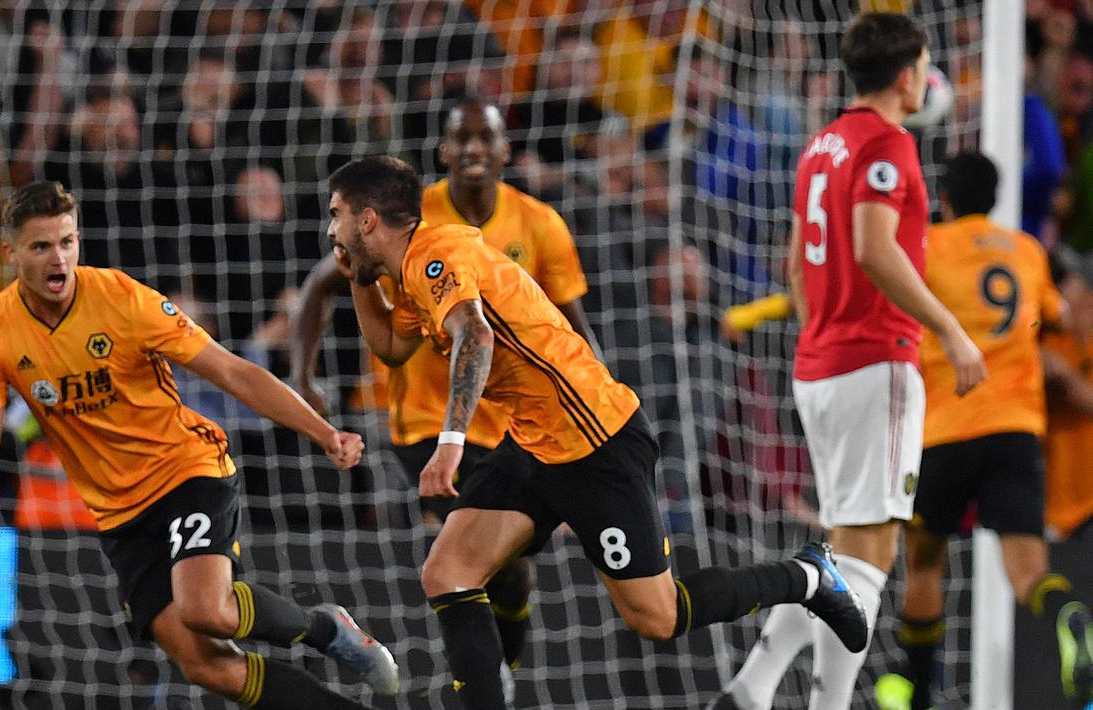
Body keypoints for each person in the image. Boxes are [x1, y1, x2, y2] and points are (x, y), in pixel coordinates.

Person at [324, 155, 869, 710]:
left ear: (368, 220)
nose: (331, 229)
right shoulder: (413, 270)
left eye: (337, 214)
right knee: (448, 571)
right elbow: (393, 348)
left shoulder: (436, 258)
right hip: (534, 441)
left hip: (596, 442)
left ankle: (806, 577)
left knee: (659, 616)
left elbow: (476, 336)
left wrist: (450, 444)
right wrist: (360, 280)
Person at [0, 181, 399, 710]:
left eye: (66, 242)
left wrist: (323, 431)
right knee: (207, 666)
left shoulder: (122, 300)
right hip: (119, 514)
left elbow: (233, 371)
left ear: (79, 240)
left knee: (206, 608)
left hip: (186, 471)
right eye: (41, 247)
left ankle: (326, 631)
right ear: (11, 253)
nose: (57, 258)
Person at [711, 14, 987, 710]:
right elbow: (872, 246)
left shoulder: (822, 144)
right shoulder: (887, 143)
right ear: (904, 77)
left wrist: (824, 330)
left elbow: (796, 259)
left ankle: (750, 688)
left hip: (820, 366)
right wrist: (950, 331)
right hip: (876, 362)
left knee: (838, 555)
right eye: (923, 67)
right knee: (870, 559)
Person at [291, 97, 593, 691]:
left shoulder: (539, 225)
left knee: (511, 572)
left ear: (507, 149)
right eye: (462, 139)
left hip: (511, 420)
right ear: (444, 152)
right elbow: (324, 282)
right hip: (427, 424)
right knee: (462, 559)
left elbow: (571, 324)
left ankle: (498, 673)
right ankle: (479, 686)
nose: (475, 149)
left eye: (488, 137)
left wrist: (597, 419)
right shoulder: (402, 217)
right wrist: (302, 377)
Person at [871, 152, 1093, 708]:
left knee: (924, 562)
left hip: (944, 427)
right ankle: (1068, 614)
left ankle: (918, 693)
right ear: (994, 200)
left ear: (944, 198)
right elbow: (1059, 316)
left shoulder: (929, 247)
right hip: (1015, 428)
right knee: (1027, 572)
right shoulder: (1026, 250)